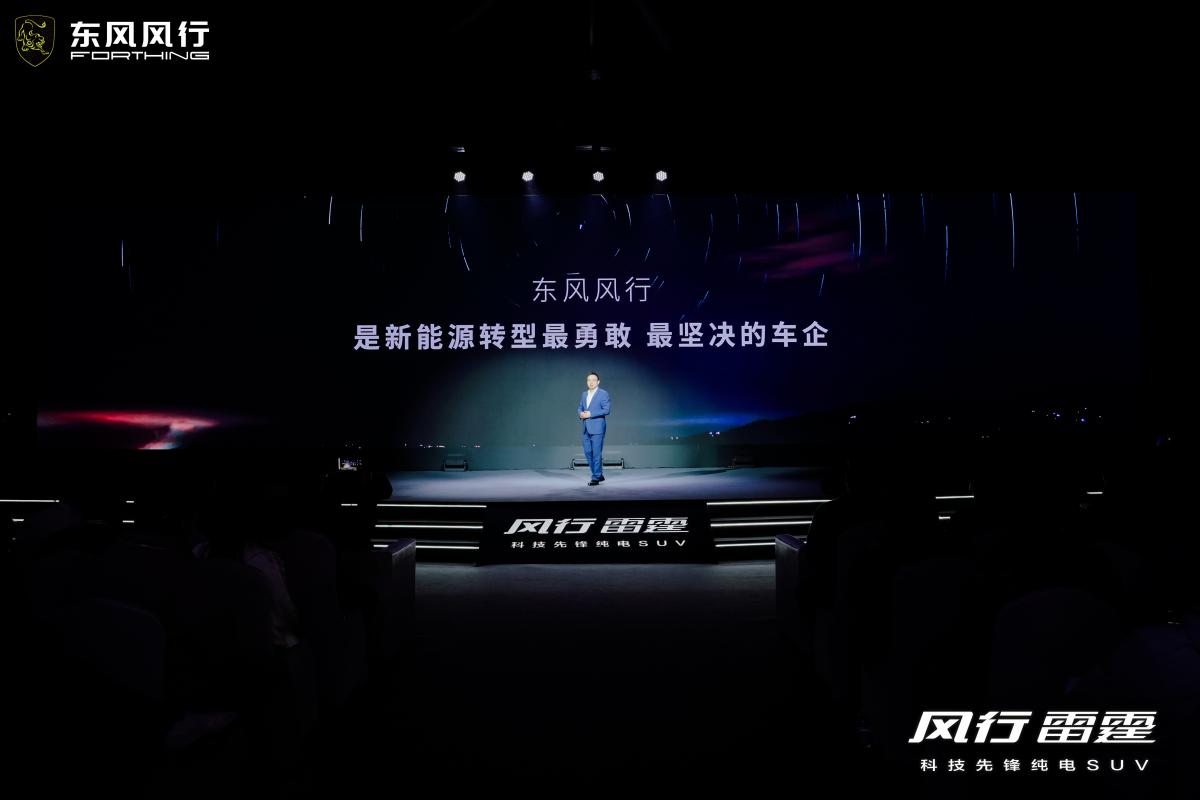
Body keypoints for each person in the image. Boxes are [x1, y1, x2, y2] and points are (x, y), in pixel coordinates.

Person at [578, 371, 611, 486]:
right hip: (586, 428)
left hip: (597, 428)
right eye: (589, 380)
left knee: (596, 453)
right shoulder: (584, 394)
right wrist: (580, 413)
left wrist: (590, 414)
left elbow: (606, 410)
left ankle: (596, 477)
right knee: (588, 452)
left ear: (598, 382)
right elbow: (580, 407)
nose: (591, 382)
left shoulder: (603, 394)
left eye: (593, 380)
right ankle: (599, 474)